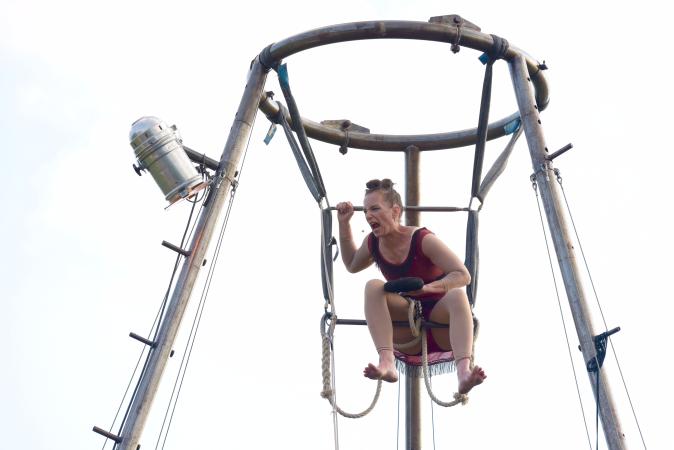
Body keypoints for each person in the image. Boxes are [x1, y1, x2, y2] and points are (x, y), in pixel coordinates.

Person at [335, 179, 486, 395]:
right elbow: (352, 264)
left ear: (395, 211)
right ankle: (387, 362)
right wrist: (344, 224)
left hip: (441, 324)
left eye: (375, 209)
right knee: (373, 286)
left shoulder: (422, 239)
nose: (368, 216)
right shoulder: (373, 243)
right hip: (408, 327)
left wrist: (427, 289)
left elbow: (463, 275)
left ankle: (463, 372)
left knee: (458, 296)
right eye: (366, 211)